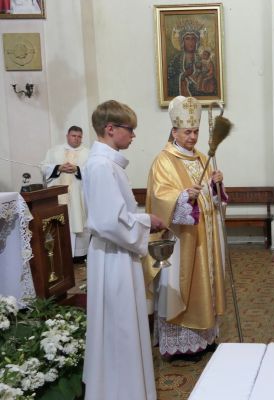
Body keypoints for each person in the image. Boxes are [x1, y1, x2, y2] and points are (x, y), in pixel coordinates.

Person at [82, 100, 165, 400]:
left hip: (118, 253)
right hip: (112, 256)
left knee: (123, 324)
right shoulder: (101, 166)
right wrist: (146, 220)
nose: (133, 136)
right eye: (130, 129)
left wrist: (140, 221)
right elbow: (107, 222)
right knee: (118, 326)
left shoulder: (109, 164)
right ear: (110, 129)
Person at [144, 95, 227, 359]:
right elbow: (159, 197)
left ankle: (205, 336)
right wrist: (182, 197)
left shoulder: (203, 157)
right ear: (174, 131)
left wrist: (216, 186)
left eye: (196, 131)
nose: (193, 137)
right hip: (181, 241)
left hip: (206, 237)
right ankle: (182, 342)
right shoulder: (164, 160)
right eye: (188, 132)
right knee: (184, 285)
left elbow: (212, 200)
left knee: (207, 282)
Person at [41, 126, 90, 261]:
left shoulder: (88, 153)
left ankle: (79, 255)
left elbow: (93, 172)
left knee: (79, 221)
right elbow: (44, 168)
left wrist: (77, 169)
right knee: (60, 223)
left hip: (78, 196)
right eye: (73, 135)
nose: (76, 139)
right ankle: (60, 254)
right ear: (67, 135)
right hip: (58, 195)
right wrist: (58, 168)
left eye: (79, 136)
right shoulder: (54, 151)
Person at [167, 20, 215, 97]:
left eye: (193, 39)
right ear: (182, 42)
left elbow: (210, 78)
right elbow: (169, 79)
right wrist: (182, 76)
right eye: (187, 39)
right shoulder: (176, 59)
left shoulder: (203, 58)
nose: (191, 42)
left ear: (197, 42)